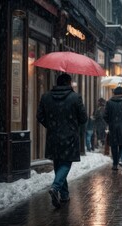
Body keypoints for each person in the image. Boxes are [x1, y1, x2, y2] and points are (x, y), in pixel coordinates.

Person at [37, 73, 88, 208]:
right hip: (70, 136)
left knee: (58, 163)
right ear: (68, 83)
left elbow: (39, 116)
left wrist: (51, 126)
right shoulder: (75, 97)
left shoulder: (46, 97)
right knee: (65, 163)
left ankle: (64, 195)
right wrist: (72, 123)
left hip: (53, 136)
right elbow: (83, 118)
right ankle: (55, 187)